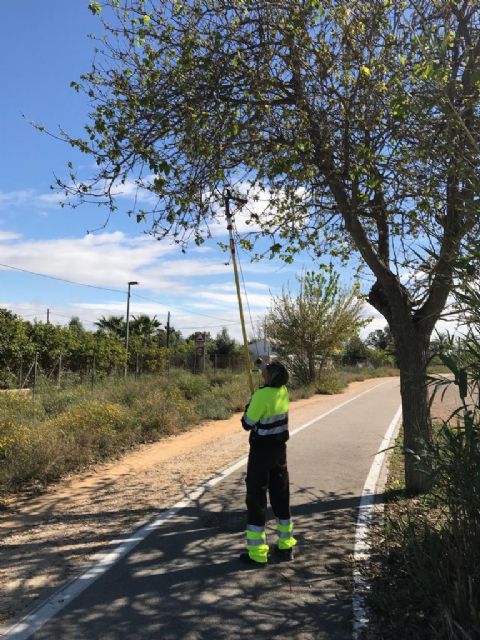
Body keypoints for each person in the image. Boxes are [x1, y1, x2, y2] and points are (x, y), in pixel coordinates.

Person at [240, 360, 297, 566]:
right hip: (280, 452)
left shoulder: (261, 395)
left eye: (264, 370)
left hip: (261, 454)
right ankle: (286, 545)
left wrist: (249, 405)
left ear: (269, 375)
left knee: (256, 499)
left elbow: (247, 424)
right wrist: (262, 365)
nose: (261, 371)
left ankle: (257, 553)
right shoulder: (283, 391)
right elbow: (269, 370)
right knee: (281, 496)